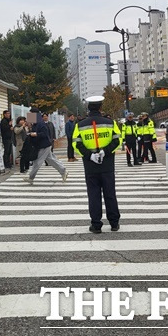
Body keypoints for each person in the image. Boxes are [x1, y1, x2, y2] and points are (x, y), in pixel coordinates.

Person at [72, 96, 121, 233]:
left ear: (88, 108)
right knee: (110, 193)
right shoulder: (110, 123)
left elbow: (76, 143)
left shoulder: (80, 125)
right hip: (107, 163)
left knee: (93, 194)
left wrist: (90, 155)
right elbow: (118, 140)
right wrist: (105, 151)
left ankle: (96, 224)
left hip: (90, 165)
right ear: (100, 108)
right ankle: (114, 223)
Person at [26, 108, 68, 184]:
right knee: (51, 160)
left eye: (30, 114)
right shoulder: (35, 123)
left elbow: (45, 134)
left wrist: (35, 134)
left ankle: (31, 177)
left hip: (44, 145)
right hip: (41, 145)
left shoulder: (41, 123)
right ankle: (63, 171)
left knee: (37, 162)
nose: (29, 116)